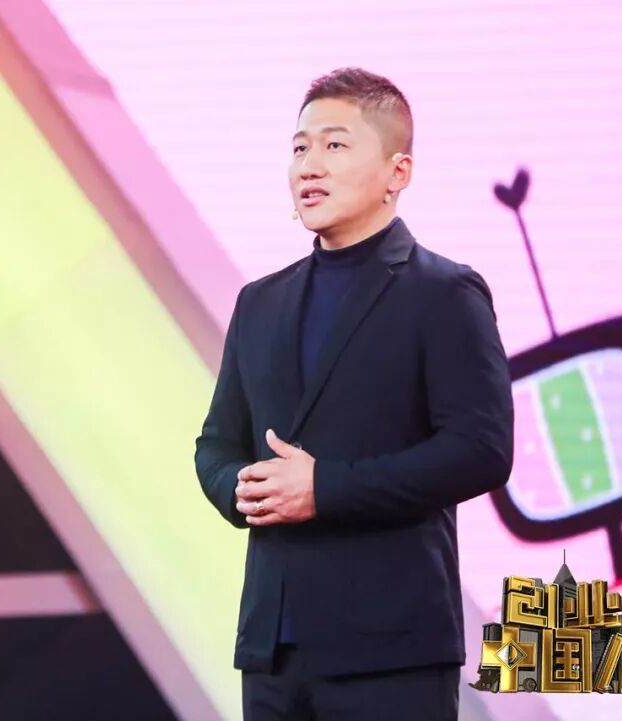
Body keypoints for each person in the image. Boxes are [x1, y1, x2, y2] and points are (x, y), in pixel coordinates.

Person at [193, 67, 514, 721]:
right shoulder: (260, 303)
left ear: (399, 172)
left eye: (335, 145)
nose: (309, 165)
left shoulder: (443, 293)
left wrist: (325, 488)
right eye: (300, 147)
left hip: (390, 649)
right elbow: (218, 443)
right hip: (274, 648)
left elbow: (480, 449)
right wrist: (238, 486)